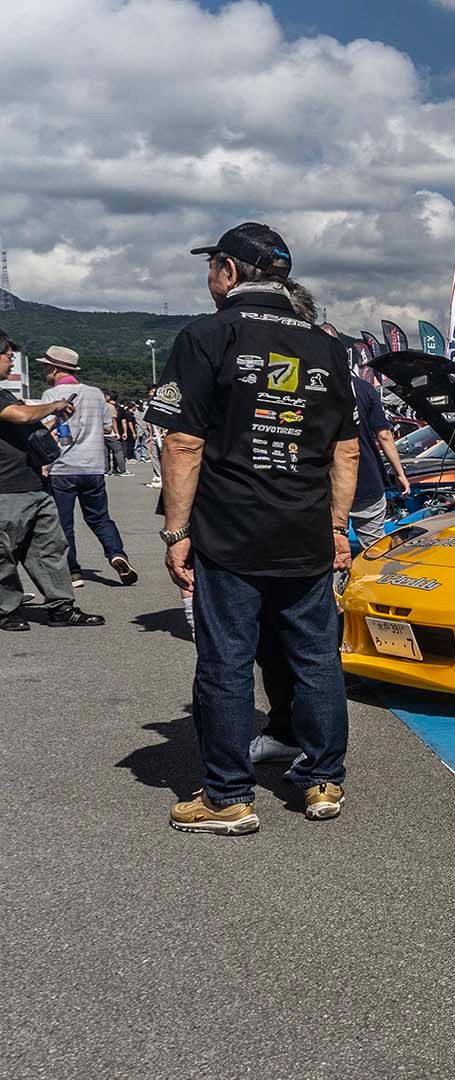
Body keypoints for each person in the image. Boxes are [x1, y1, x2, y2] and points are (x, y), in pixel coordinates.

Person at [147, 222, 359, 834]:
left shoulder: (208, 334)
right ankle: (323, 779)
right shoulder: (328, 345)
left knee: (226, 661)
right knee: (316, 656)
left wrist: (175, 532)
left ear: (231, 272)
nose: (209, 276)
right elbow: (347, 452)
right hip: (306, 532)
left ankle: (227, 796)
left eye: (212, 265)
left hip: (229, 530)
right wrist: (337, 527)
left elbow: (183, 444)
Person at [0, 331, 103, 630]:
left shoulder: (5, 392)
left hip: (32, 483)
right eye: (7, 354)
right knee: (4, 554)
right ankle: (7, 611)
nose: (10, 360)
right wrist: (54, 406)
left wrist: (53, 419)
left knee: (49, 548)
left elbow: (23, 423)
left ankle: (61, 606)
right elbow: (19, 416)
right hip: (6, 488)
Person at [40, 347, 136, 587]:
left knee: (64, 522)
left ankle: (73, 572)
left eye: (45, 367)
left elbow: (43, 430)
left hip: (62, 467)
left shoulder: (49, 395)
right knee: (100, 517)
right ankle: (116, 554)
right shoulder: (95, 394)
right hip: (93, 466)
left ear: (53, 369)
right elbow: (106, 427)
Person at [347, 373, 411, 545]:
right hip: (366, 478)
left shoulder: (315, 387)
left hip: (329, 481)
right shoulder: (365, 389)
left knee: (332, 550)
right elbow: (384, 435)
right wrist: (399, 473)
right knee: (375, 549)